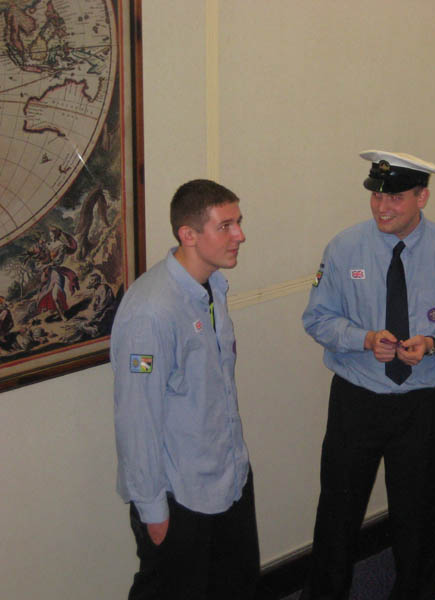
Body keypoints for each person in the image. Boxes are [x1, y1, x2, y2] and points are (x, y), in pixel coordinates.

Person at [300, 150, 435, 600]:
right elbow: (317, 319)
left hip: (419, 405)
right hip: (356, 399)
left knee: (417, 518)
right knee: (338, 515)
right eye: (376, 196)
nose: (382, 207)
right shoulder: (344, 248)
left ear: (422, 197)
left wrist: (433, 344)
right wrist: (363, 339)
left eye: (395, 198)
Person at [111, 179, 259, 600]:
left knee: (236, 587)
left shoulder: (212, 287)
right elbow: (136, 419)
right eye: (226, 226)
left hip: (228, 476)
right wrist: (152, 508)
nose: (240, 235)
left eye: (238, 222)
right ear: (188, 234)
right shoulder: (151, 313)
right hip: (180, 496)